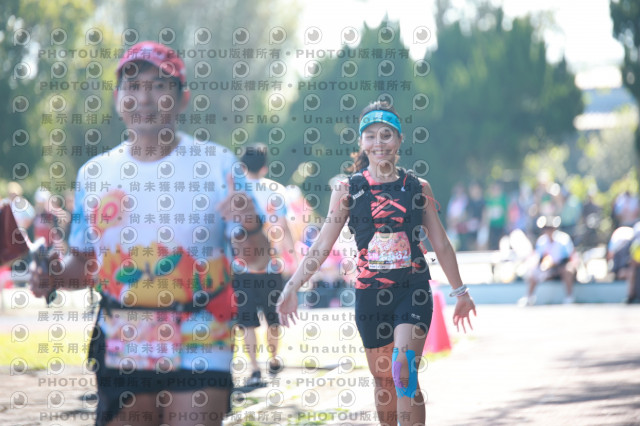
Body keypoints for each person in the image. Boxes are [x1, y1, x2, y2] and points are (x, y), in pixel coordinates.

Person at [28, 41, 270, 426]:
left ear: (182, 98)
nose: (144, 98)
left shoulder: (218, 164)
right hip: (123, 338)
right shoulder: (95, 174)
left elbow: (258, 260)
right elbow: (85, 266)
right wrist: (52, 276)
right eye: (133, 86)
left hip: (203, 336)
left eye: (159, 86)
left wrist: (251, 225)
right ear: (117, 98)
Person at [277, 101, 476, 426]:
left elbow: (440, 243)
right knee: (384, 381)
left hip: (412, 290)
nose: (379, 142)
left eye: (386, 135)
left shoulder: (418, 187)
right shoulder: (348, 189)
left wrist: (461, 292)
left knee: (404, 370)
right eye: (370, 136)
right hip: (370, 297)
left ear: (399, 140)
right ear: (361, 142)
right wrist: (291, 286)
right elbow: (323, 245)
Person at [234, 142, 296, 386]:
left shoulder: (234, 191)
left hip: (241, 266)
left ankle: (253, 367)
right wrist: (294, 259)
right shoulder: (275, 190)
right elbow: (283, 228)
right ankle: (273, 357)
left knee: (247, 320)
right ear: (264, 167)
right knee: (273, 317)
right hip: (271, 265)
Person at [519, 216, 578, 306]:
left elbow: (568, 257)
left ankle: (569, 297)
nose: (548, 230)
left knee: (568, 270)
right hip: (548, 269)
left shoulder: (563, 239)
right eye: (545, 228)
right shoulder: (542, 241)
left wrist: (554, 264)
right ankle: (529, 297)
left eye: (550, 228)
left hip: (561, 267)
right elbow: (540, 258)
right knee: (533, 272)